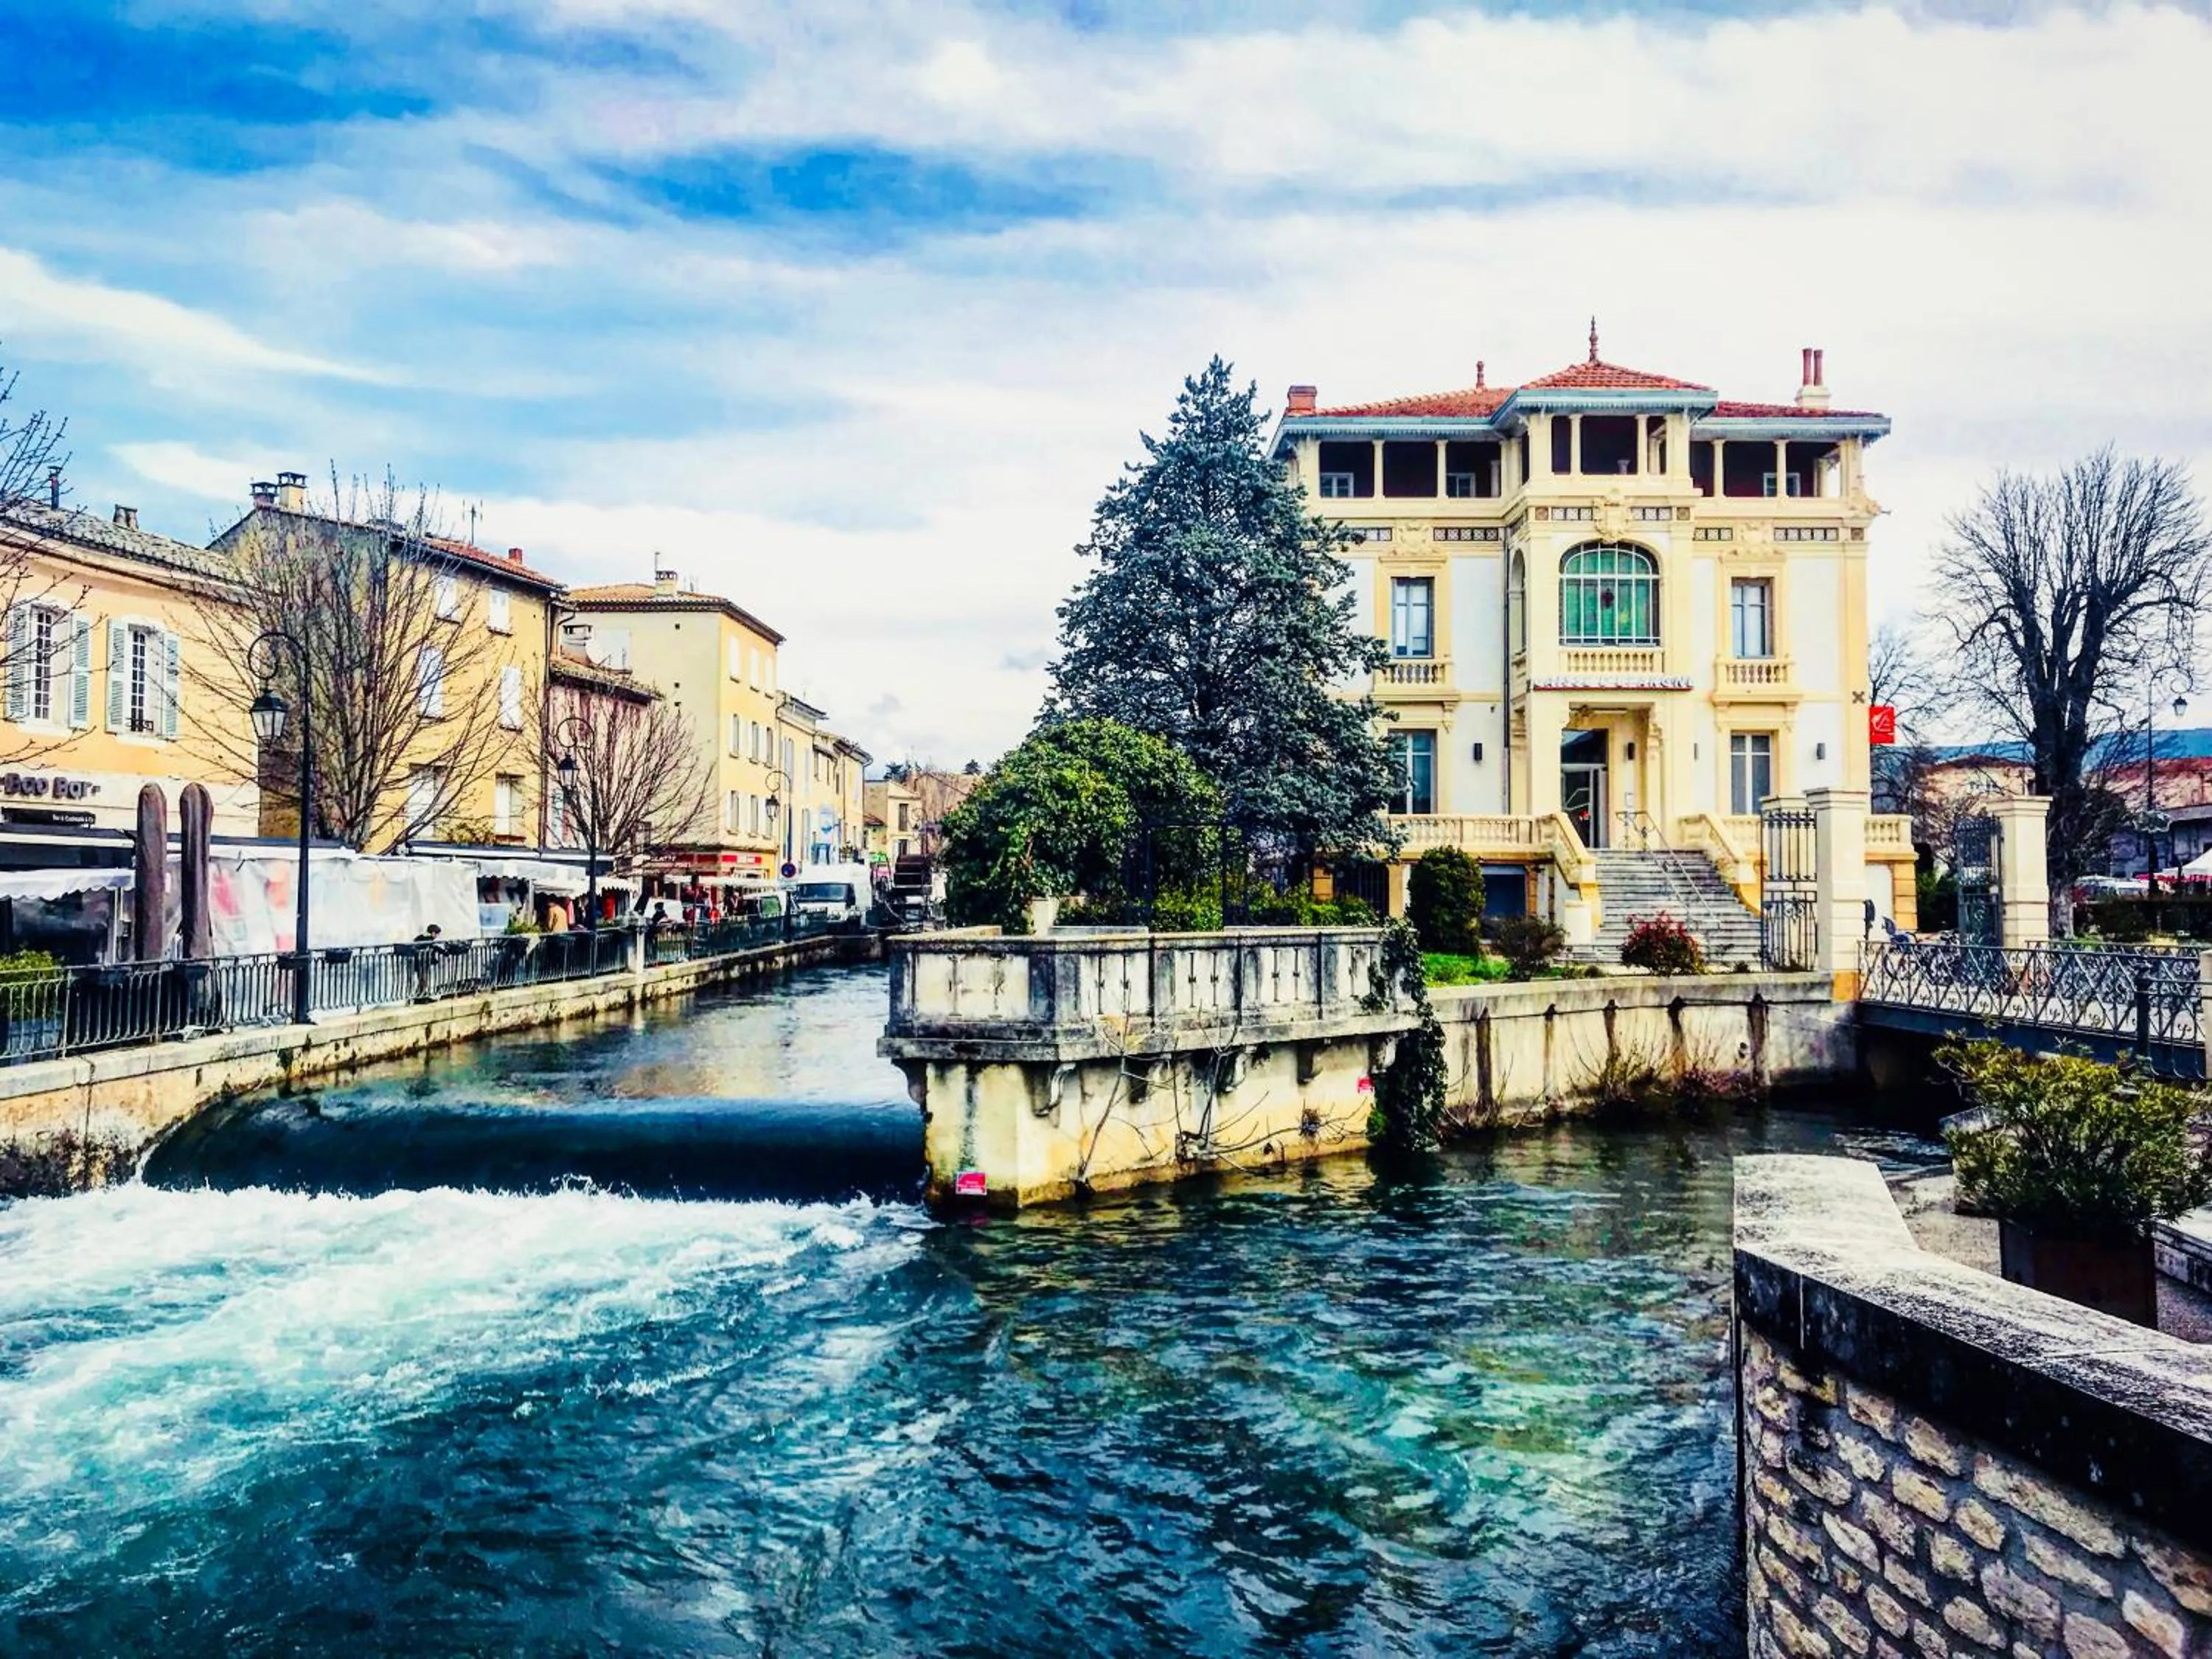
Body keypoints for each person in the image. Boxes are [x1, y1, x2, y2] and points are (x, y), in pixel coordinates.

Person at [410, 923, 443, 1001]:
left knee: (422, 980)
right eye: (437, 934)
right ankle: (420, 998)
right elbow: (434, 947)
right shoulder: (427, 939)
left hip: (420, 962)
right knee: (423, 980)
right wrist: (443, 952)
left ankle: (421, 996)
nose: (437, 936)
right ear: (433, 933)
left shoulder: (422, 937)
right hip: (422, 963)